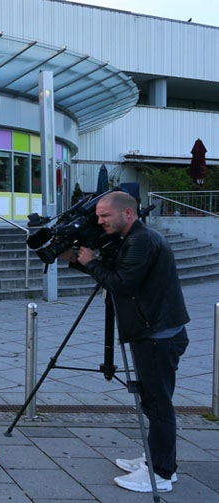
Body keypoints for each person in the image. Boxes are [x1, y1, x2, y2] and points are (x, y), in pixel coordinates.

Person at [60, 191, 190, 493]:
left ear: (127, 213)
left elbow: (121, 283)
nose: (99, 221)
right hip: (154, 332)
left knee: (157, 404)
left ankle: (160, 473)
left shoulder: (141, 241)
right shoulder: (135, 238)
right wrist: (80, 260)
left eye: (105, 215)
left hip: (157, 336)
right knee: (153, 401)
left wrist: (91, 262)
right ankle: (155, 459)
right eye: (98, 216)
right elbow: (117, 272)